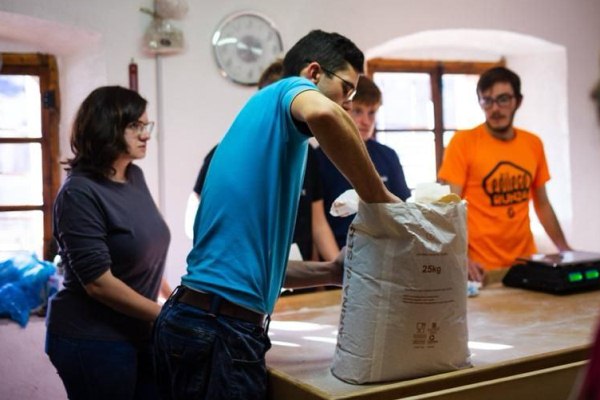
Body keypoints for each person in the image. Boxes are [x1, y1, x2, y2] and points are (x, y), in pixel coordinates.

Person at [153, 29, 400, 400]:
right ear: (313, 74)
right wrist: (378, 198)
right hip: (218, 329)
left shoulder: (278, 143)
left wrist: (333, 272)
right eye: (347, 90)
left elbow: (261, 272)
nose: (348, 104)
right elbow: (323, 111)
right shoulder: (284, 91)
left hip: (203, 321)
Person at [45, 86, 171, 400]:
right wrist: (168, 315)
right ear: (106, 128)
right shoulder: (79, 193)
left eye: (146, 126)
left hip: (139, 330)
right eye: (135, 126)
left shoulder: (135, 177)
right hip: (91, 338)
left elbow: (145, 253)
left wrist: (175, 299)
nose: (145, 135)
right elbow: (98, 284)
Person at [192, 59, 339, 262]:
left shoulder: (308, 154)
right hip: (248, 275)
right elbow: (203, 225)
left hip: (303, 277)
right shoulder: (224, 154)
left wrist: (338, 272)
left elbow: (318, 223)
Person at [438, 66, 571, 282]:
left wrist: (564, 248)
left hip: (527, 265)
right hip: (481, 270)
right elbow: (449, 208)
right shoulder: (463, 143)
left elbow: (542, 204)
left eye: (503, 99)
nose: (495, 109)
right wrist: (459, 257)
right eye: (487, 100)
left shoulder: (533, 144)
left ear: (517, 101)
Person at [316, 75, 411, 248]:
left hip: (385, 252)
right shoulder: (319, 157)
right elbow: (318, 225)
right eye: (358, 111)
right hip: (338, 253)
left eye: (372, 112)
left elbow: (403, 211)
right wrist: (337, 268)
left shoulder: (388, 156)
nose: (366, 121)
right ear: (342, 109)